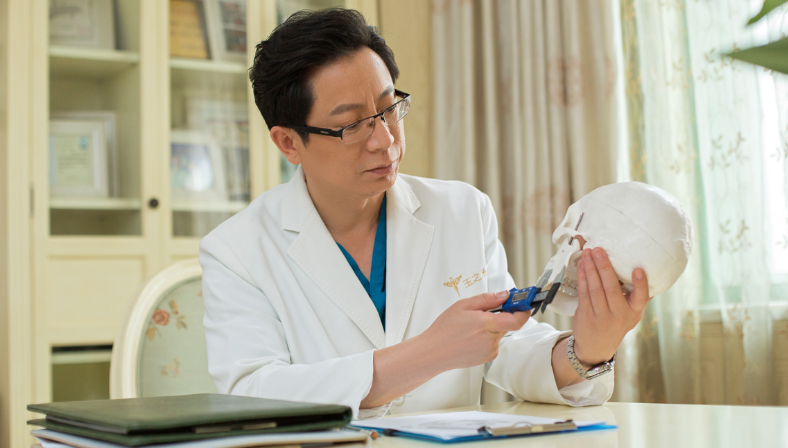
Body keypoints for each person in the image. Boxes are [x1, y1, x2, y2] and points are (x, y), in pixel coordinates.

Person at [200, 8, 651, 419]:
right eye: (352, 125)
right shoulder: (236, 251)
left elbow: (508, 346)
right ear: (288, 142)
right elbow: (253, 394)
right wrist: (431, 353)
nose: (385, 140)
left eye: (388, 109)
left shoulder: (462, 211)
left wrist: (587, 350)